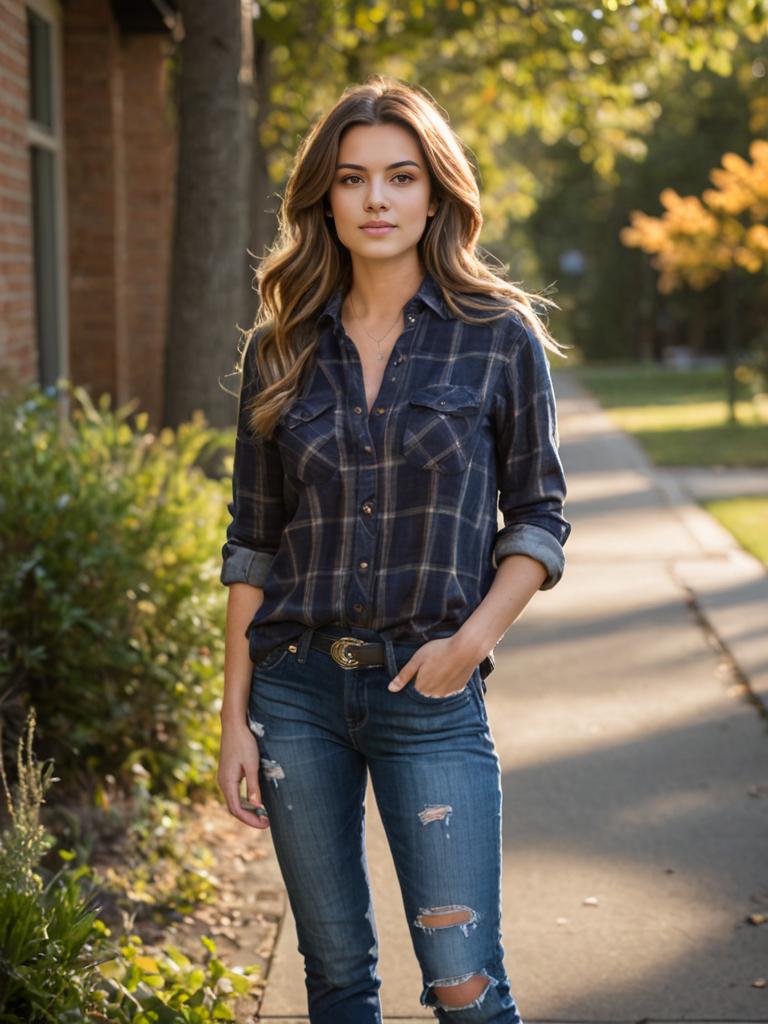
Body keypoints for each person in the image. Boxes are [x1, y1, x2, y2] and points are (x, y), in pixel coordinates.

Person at [216, 74, 572, 1024]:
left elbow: (538, 518)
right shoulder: (281, 344)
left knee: (467, 987)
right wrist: (232, 720)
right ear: (323, 199)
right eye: (352, 178)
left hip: (432, 693)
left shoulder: (497, 337)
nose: (377, 199)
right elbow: (253, 540)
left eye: (401, 177)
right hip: (296, 697)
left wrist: (467, 646)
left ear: (435, 192)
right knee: (334, 979)